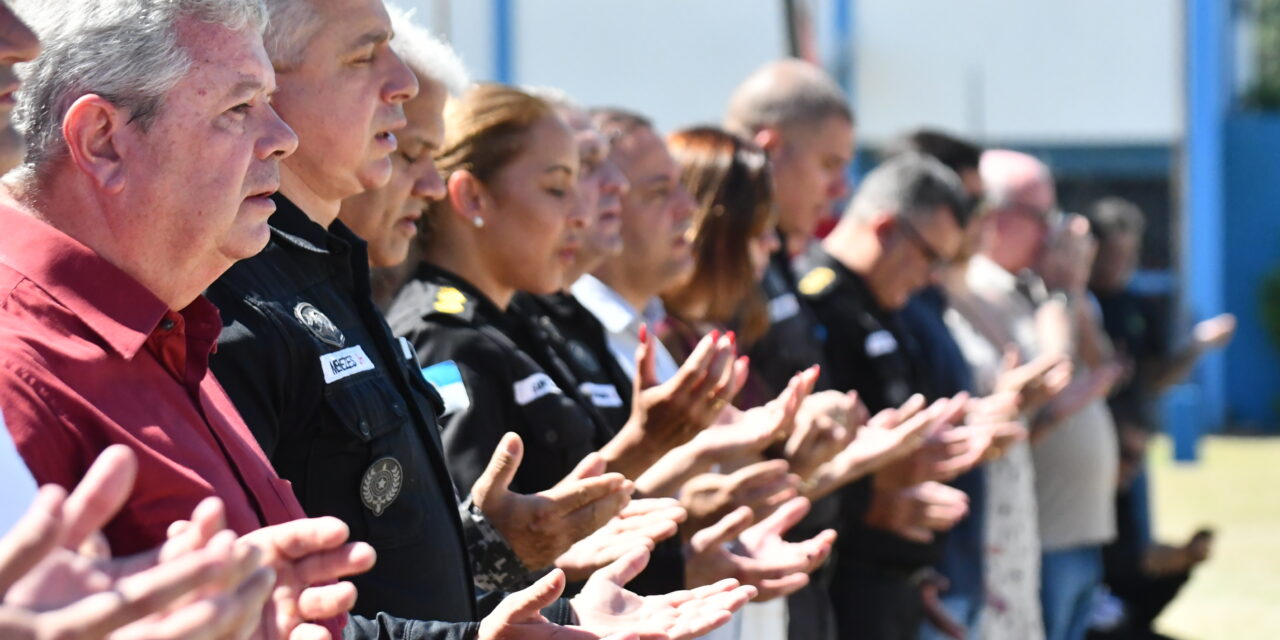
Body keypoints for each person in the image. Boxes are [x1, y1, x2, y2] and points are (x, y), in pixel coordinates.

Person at [206, 1, 753, 636]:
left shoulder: (339, 286)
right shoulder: (241, 299)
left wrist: (519, 565)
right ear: (267, 87)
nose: (400, 84)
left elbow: (413, 562)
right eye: (363, 57)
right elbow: (259, 612)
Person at [0, 1, 377, 637]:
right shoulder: (21, 370)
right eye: (239, 108)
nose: (283, 137)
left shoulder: (170, 325)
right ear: (102, 140)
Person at [797, 153, 981, 640]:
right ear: (885, 228)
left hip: (895, 584)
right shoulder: (813, 301)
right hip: (837, 585)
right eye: (930, 256)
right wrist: (872, 494)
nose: (932, 276)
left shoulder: (890, 305)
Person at [1086, 197, 1225, 640]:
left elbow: (1156, 377)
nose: (1120, 263)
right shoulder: (1077, 305)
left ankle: (1126, 619)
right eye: (1111, 253)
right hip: (1091, 457)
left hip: (1132, 455)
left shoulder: (1138, 306)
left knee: (1133, 553)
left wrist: (1196, 347)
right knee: (1101, 556)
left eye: (1128, 253)